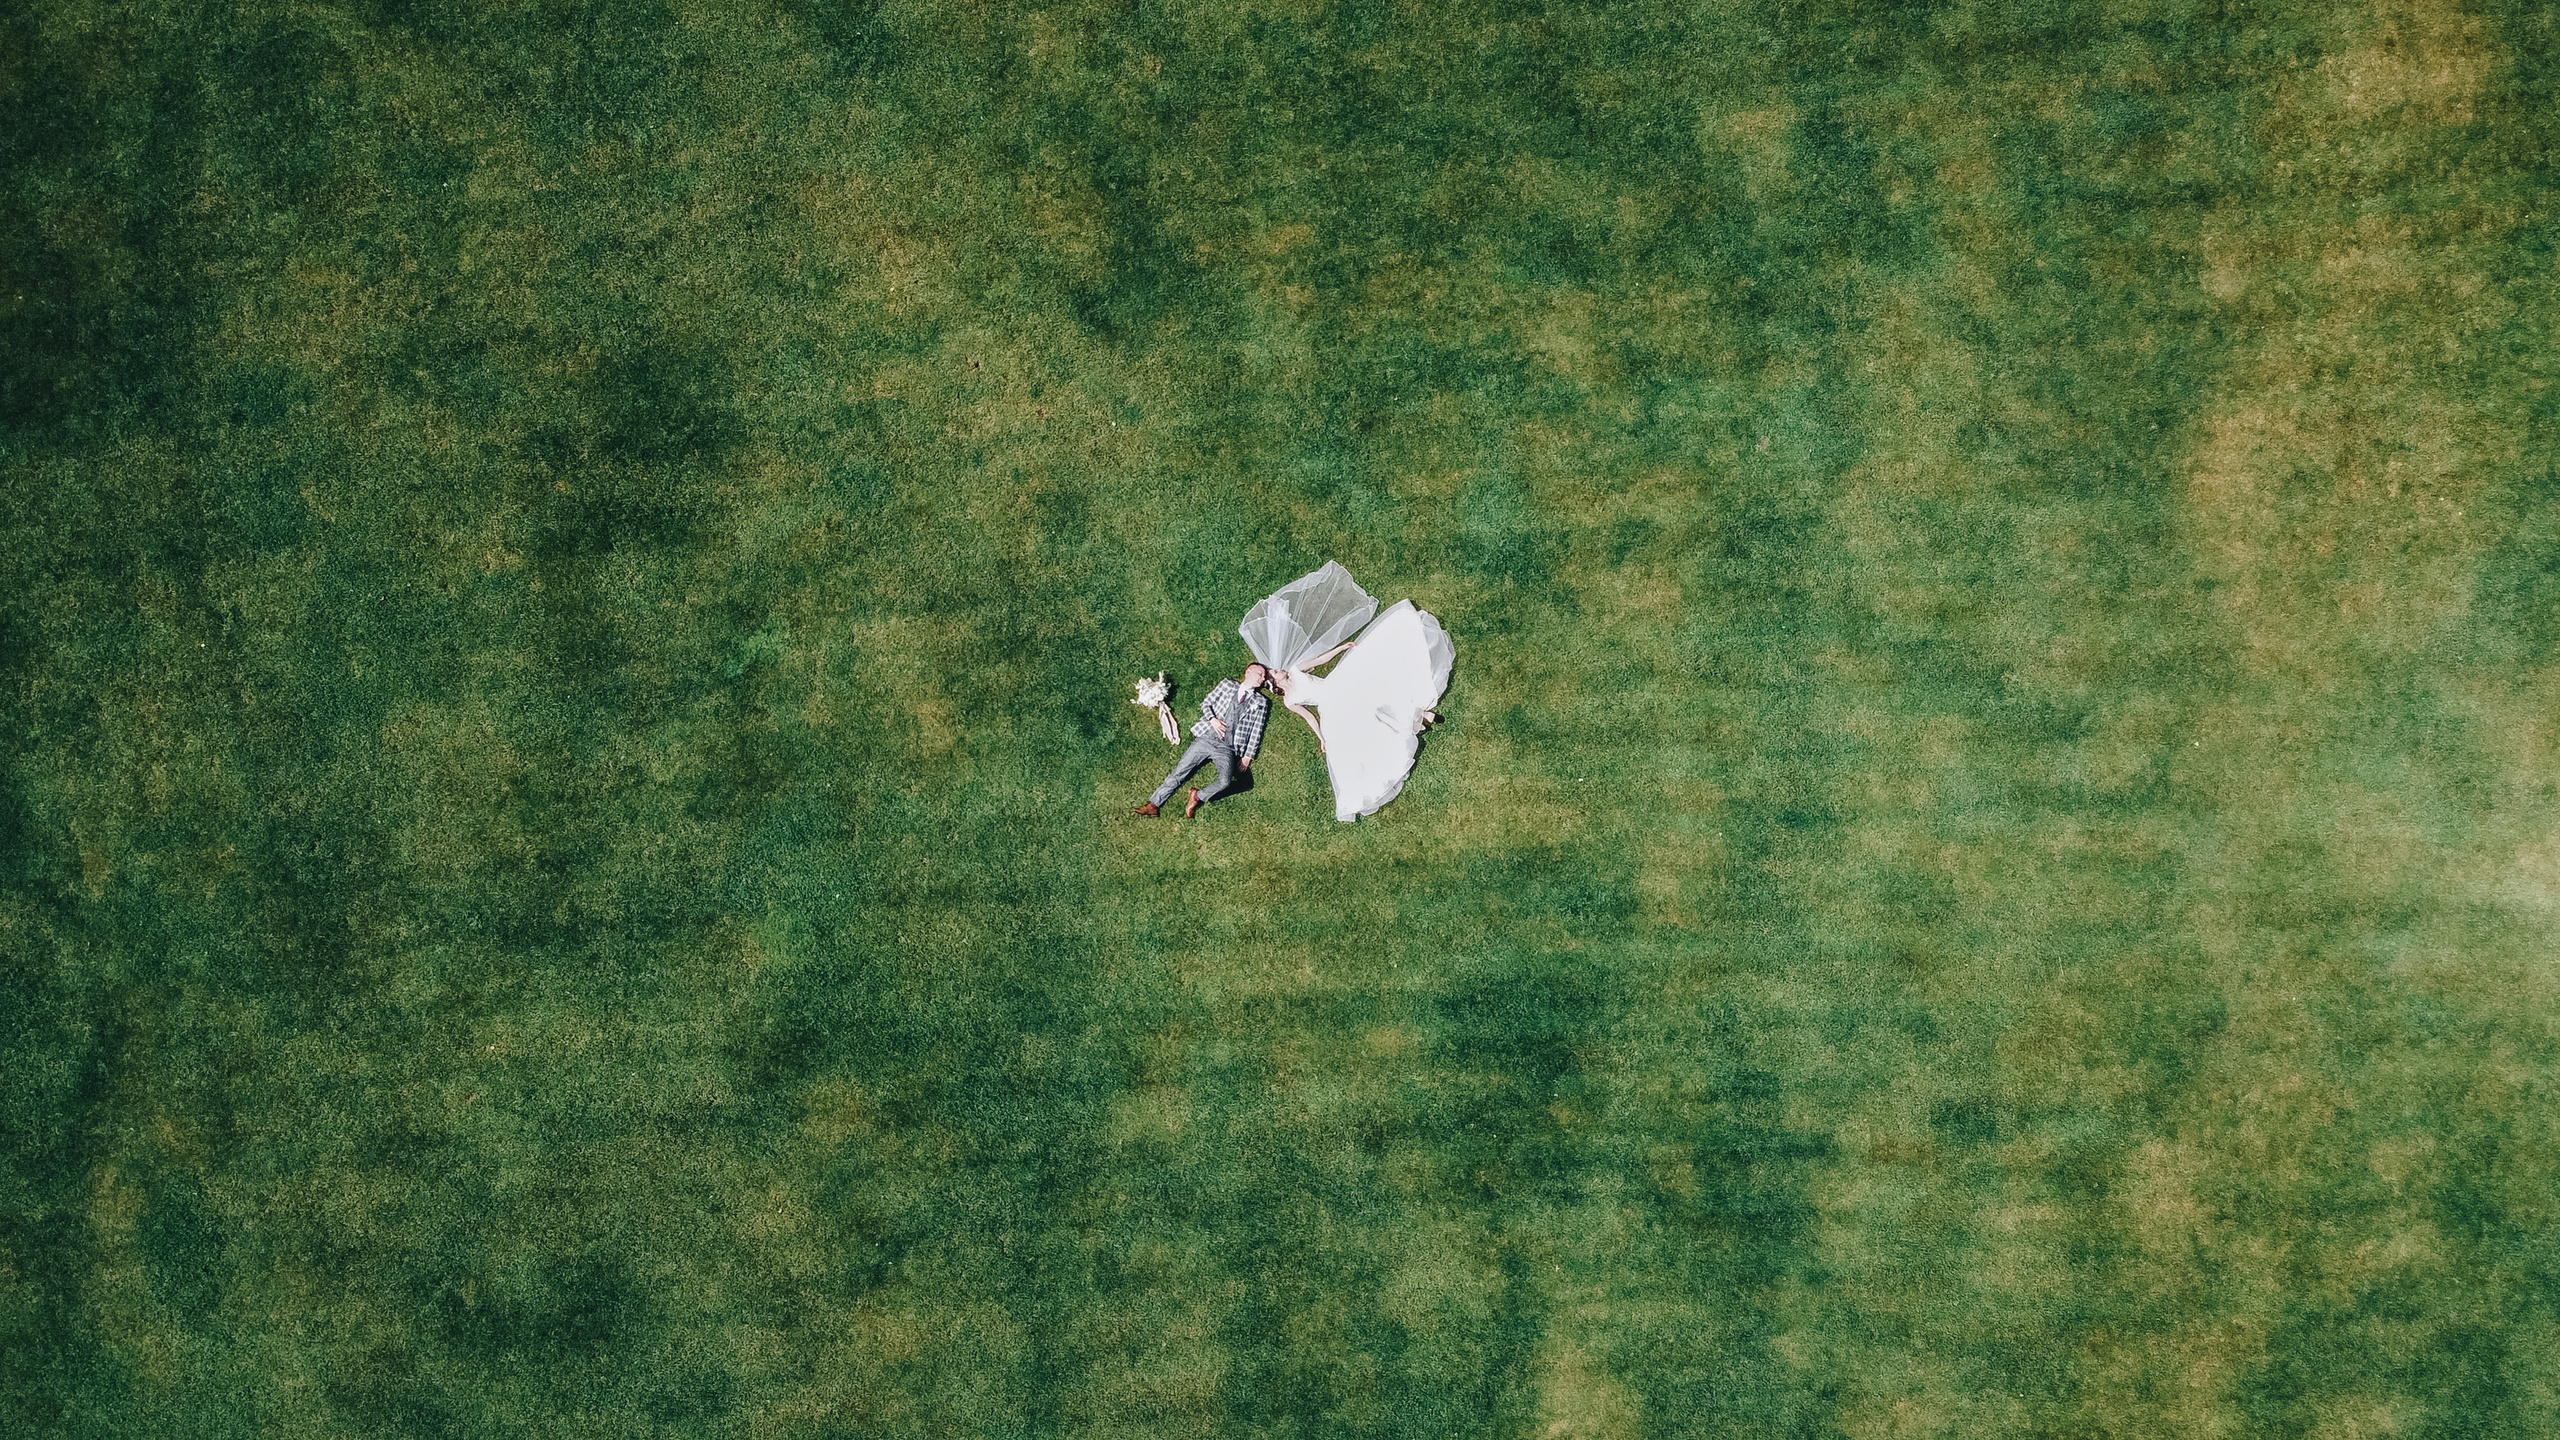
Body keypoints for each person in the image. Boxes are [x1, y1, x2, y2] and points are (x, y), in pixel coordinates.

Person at [1271, 599, 1453, 822]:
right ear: (1275, 684)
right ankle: (1417, 719)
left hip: (1337, 685)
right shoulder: (1290, 701)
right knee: (1367, 726)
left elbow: (1318, 660)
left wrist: (1341, 648)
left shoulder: (1295, 670)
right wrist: (1321, 738)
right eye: (1275, 673)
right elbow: (1308, 716)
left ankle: (1420, 716)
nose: (1278, 669)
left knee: (1377, 695)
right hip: (1330, 705)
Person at [1136, 662, 1271, 819]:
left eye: (1264, 676)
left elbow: (1257, 731)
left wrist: (1247, 756)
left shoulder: (1261, 703)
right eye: (1260, 674)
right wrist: (1212, 719)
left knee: (1225, 781)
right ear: (1248, 672)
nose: (1263, 678)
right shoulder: (1227, 685)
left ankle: (1197, 797)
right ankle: (1153, 805)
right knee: (1179, 772)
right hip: (1206, 737)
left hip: (1228, 747)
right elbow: (1206, 703)